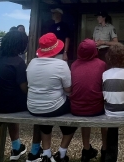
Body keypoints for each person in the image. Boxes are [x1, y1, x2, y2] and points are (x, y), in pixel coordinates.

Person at [27, 33, 77, 162]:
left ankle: (47, 154)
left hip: (33, 106)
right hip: (53, 106)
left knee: (45, 118)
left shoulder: (32, 63)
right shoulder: (61, 65)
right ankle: (61, 153)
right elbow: (68, 89)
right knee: (73, 118)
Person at [0, 31, 29, 160]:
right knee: (39, 104)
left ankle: (16, 147)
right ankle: (25, 148)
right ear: (20, 45)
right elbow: (24, 88)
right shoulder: (18, 62)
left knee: (9, 97)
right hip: (8, 105)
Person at [70, 39, 107, 162]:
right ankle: (105, 149)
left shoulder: (74, 64)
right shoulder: (101, 64)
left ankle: (86, 149)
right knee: (106, 110)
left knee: (85, 117)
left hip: (76, 108)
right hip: (96, 107)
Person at [102, 43, 124, 162]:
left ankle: (110, 158)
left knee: (111, 135)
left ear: (109, 58)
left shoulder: (105, 74)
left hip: (111, 113)